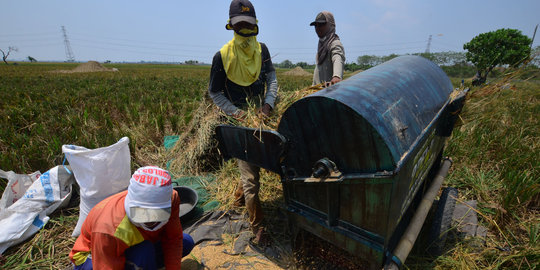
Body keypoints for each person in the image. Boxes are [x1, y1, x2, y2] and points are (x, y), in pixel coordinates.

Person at [208, 0, 278, 245]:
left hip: (264, 119)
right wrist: (236, 113)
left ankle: (238, 198)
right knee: (250, 178)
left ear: (256, 25)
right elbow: (215, 93)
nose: (246, 30)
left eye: (249, 25)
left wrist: (268, 105)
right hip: (241, 125)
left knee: (268, 162)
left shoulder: (263, 50)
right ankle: (257, 226)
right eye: (241, 26)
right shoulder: (222, 57)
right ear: (232, 26)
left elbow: (272, 79)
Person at [69, 166, 195, 270]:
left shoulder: (172, 199)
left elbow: (173, 239)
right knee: (144, 251)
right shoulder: (108, 228)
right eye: (142, 212)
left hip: (135, 246)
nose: (150, 220)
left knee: (185, 242)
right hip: (93, 259)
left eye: (157, 213)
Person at [310, 11, 346, 87]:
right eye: (316, 25)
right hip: (318, 92)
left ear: (331, 25)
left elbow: (337, 57)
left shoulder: (334, 43)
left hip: (329, 93)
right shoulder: (322, 46)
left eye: (321, 24)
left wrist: (336, 76)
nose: (317, 28)